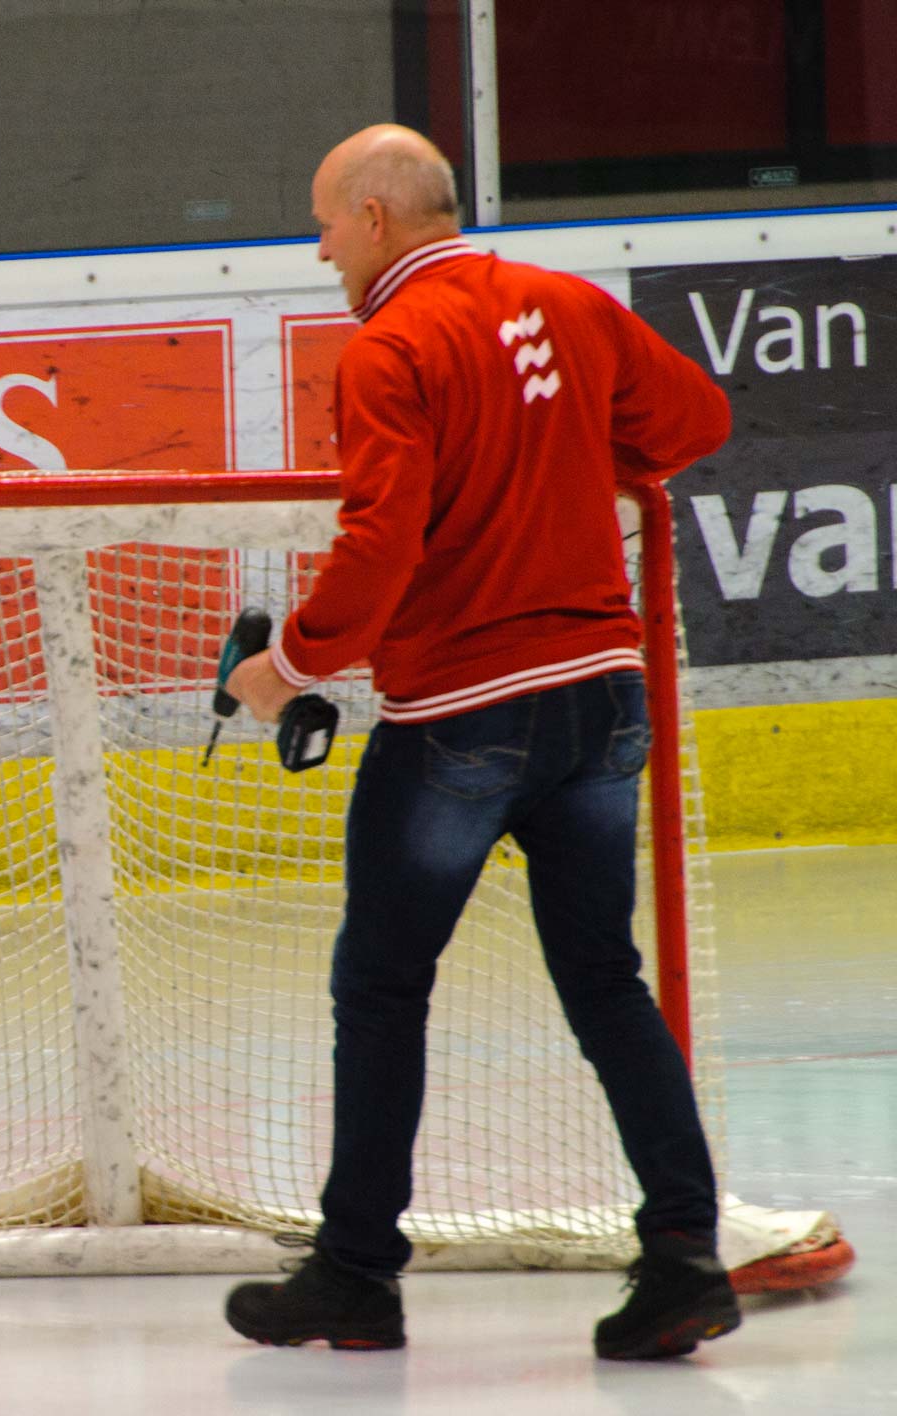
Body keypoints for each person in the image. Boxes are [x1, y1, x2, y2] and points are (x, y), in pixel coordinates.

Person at [220, 124, 738, 1361]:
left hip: (465, 711)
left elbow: (381, 543)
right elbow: (697, 421)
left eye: (326, 224)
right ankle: (683, 1255)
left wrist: (285, 670)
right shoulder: (567, 303)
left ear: (377, 216)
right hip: (600, 701)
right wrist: (575, 459)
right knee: (604, 979)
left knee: (381, 987)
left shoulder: (390, 345)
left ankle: (355, 1275)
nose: (322, 250)